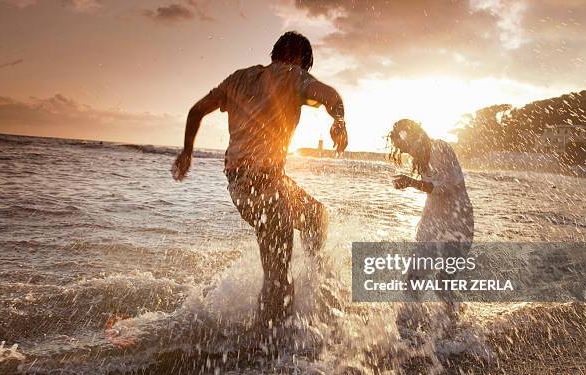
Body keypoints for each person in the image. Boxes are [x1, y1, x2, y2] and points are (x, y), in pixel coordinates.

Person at [171, 31, 348, 329]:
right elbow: (331, 96)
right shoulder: (294, 75)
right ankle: (264, 346)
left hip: (244, 183)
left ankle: (314, 285)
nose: (305, 72)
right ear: (298, 59)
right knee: (279, 276)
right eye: (306, 66)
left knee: (317, 216)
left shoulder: (237, 79)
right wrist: (339, 122)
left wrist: (187, 152)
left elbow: (196, 111)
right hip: (265, 185)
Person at [387, 119, 473, 337]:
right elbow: (434, 192)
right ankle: (411, 328)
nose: (406, 152)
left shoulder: (440, 147)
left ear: (414, 135)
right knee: (412, 279)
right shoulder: (422, 159)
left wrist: (411, 182)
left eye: (405, 146)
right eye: (402, 149)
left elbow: (445, 187)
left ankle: (454, 331)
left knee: (442, 283)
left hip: (458, 225)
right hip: (435, 226)